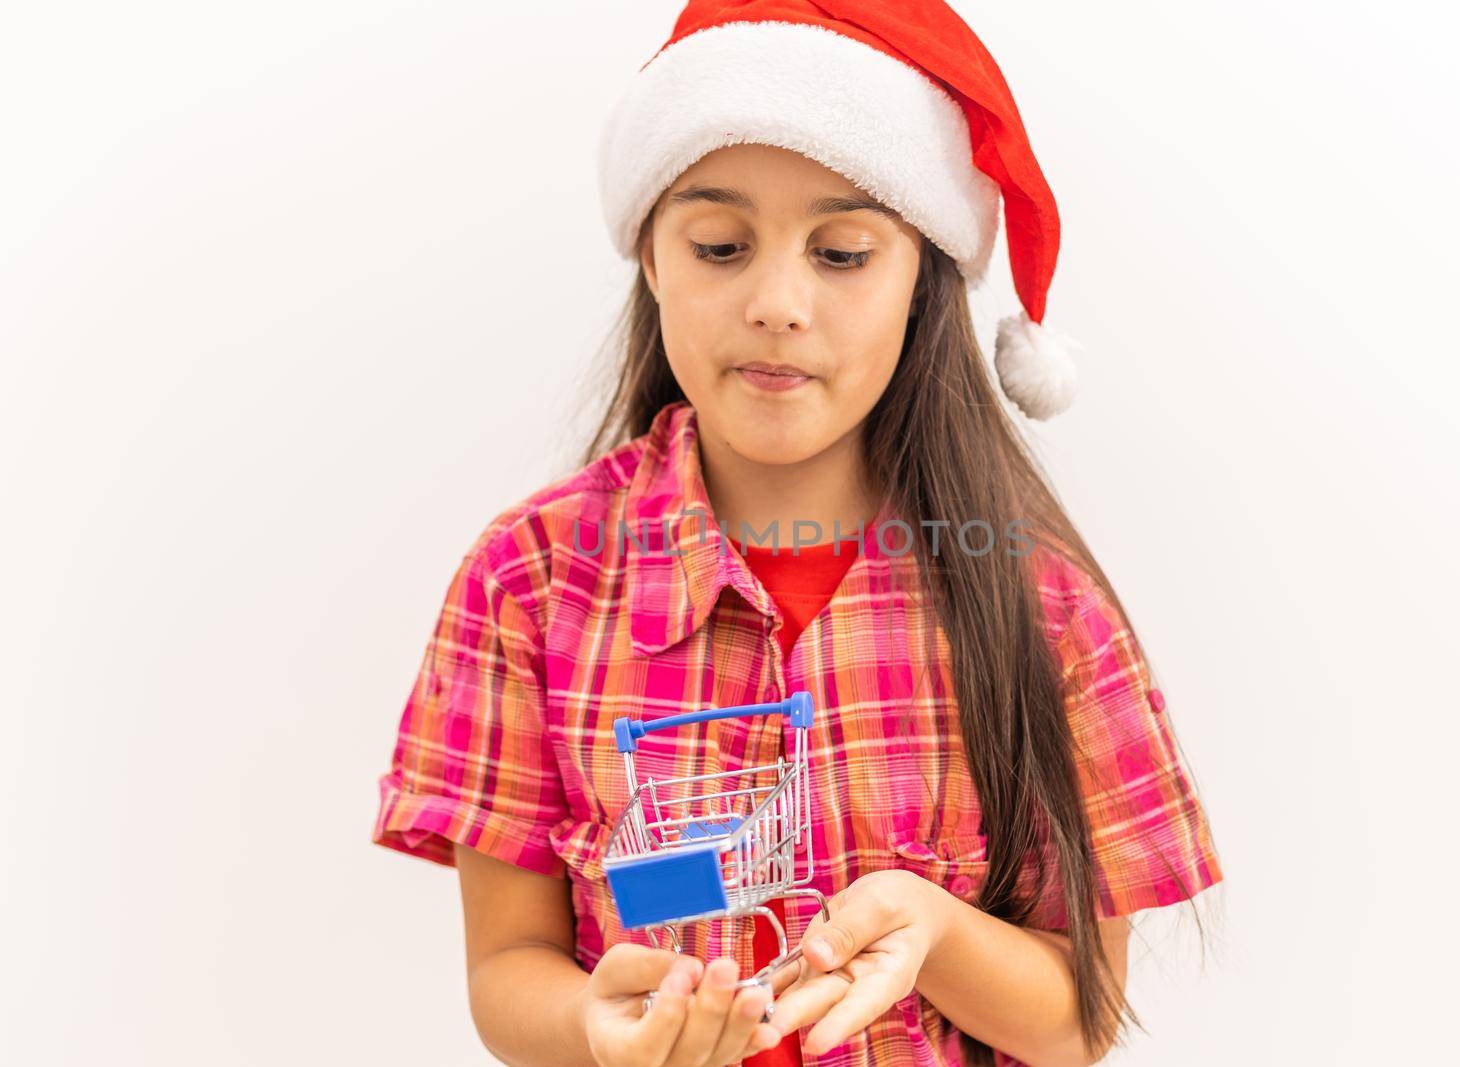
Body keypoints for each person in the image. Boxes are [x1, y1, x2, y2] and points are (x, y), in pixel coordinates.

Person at [369, 2, 1223, 1065]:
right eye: (720, 244)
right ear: (649, 252)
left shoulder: (1038, 606)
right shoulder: (530, 581)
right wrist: (592, 1024)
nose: (777, 301)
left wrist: (935, 927)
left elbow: (1075, 1017)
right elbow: (508, 968)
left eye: (844, 252)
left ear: (922, 277)